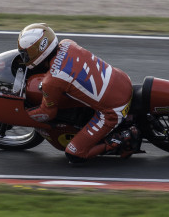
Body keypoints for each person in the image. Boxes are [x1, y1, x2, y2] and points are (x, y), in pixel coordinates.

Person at [17, 23, 137, 163]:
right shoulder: (68, 43)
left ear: (38, 52)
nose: (23, 57)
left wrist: (23, 116)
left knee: (74, 154)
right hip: (122, 79)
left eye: (25, 54)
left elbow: (48, 113)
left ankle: (117, 141)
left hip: (113, 111)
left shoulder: (52, 82)